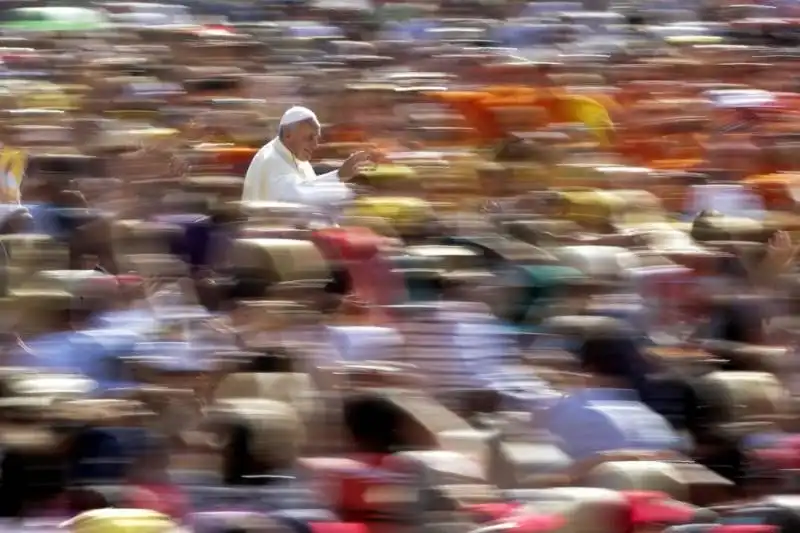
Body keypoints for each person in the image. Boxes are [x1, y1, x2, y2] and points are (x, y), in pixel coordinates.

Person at [242, 106, 372, 205]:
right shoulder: (271, 159)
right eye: (310, 138)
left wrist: (339, 176)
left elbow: (308, 186)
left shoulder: (295, 157)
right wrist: (348, 191)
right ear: (288, 134)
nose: (315, 145)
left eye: (316, 139)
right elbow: (297, 196)